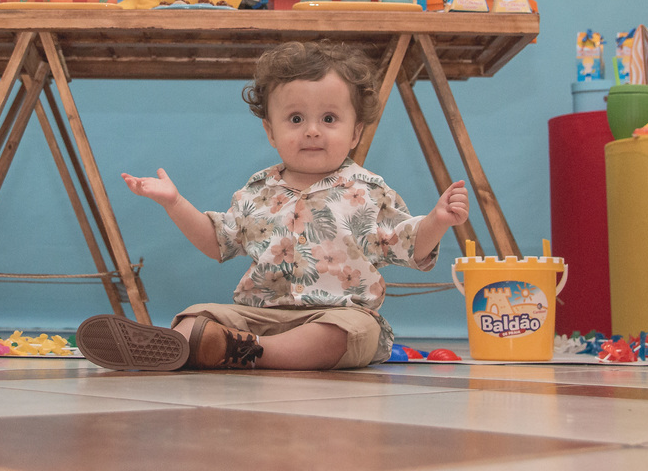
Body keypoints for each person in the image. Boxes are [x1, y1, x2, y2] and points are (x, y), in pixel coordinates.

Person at [76, 41, 468, 371]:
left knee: (351, 333)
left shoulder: (369, 191)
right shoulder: (257, 190)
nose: (311, 130)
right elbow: (217, 241)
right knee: (197, 316)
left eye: (329, 118)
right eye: (295, 118)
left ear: (356, 132)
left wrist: (437, 220)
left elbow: (408, 244)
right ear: (270, 131)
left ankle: (241, 352)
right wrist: (174, 203)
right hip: (259, 316)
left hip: (337, 314)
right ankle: (180, 346)